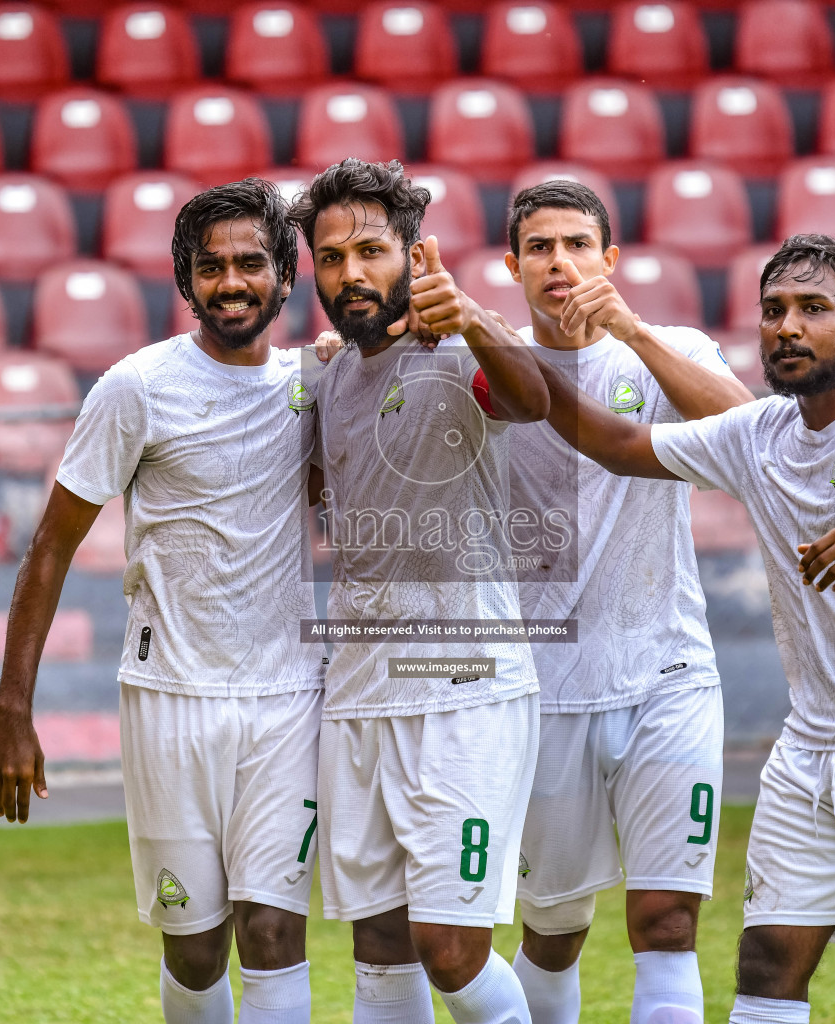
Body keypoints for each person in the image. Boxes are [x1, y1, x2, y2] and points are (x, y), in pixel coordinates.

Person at [536, 233, 835, 1024]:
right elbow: (618, 443)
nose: (787, 327)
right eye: (773, 311)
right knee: (767, 962)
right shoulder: (756, 433)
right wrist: (489, 342)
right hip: (811, 752)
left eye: (812, 309)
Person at [0, 179, 325, 1024]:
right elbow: (50, 547)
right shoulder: (135, 389)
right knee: (195, 945)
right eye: (211, 268)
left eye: (252, 263)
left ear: (286, 275)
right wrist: (12, 711)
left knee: (275, 931)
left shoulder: (315, 387)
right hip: (169, 699)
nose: (232, 283)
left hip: (288, 701)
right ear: (185, 280)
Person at [288, 158, 550, 1024]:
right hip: (360, 693)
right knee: (381, 951)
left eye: (370, 249)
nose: (351, 273)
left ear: (411, 251)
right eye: (331, 258)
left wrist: (474, 316)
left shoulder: (455, 349)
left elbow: (531, 397)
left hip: (462, 692)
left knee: (452, 949)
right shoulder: (325, 379)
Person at [494, 179, 752, 1024]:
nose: (558, 263)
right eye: (539, 247)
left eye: (576, 245)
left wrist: (632, 331)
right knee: (553, 930)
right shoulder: (485, 366)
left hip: (665, 673)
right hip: (544, 688)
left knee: (667, 918)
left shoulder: (667, 347)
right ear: (512, 265)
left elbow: (752, 434)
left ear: (610, 260)